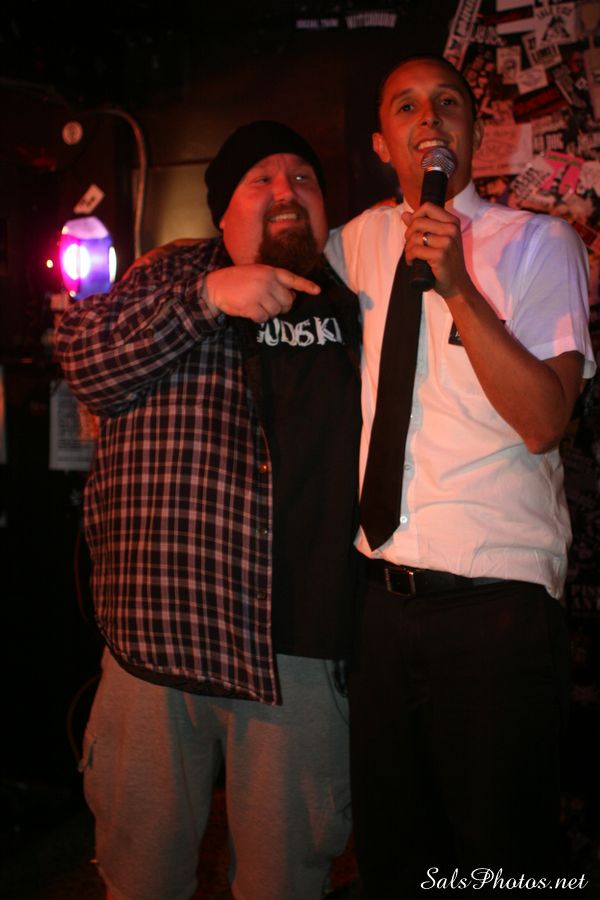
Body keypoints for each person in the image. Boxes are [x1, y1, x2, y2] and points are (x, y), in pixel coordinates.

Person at [56, 120, 362, 900]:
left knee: (285, 882)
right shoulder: (168, 272)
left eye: (303, 177)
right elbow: (87, 366)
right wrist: (206, 298)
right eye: (261, 179)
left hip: (299, 648)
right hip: (157, 640)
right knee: (141, 877)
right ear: (223, 211)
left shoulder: (358, 288)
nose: (286, 190)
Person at [326, 55, 596, 896]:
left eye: (447, 102)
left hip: (494, 607)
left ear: (475, 134)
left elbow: (546, 422)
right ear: (382, 143)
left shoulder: (539, 244)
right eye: (405, 106)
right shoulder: (355, 243)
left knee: (501, 866)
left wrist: (458, 289)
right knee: (396, 863)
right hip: (380, 604)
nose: (429, 117)